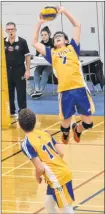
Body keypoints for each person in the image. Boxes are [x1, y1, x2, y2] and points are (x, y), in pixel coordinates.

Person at [32, 6, 95, 144]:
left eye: (60, 36)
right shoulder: (51, 53)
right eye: (55, 38)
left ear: (66, 41)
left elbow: (77, 25)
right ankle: (66, 132)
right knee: (65, 123)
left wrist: (64, 11)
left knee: (88, 123)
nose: (58, 38)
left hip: (80, 88)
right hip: (65, 91)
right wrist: (39, 22)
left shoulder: (73, 47)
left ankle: (77, 129)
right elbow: (35, 42)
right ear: (53, 43)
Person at [18, 108, 75, 214]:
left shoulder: (26, 143)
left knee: (66, 210)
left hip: (58, 179)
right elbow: (61, 152)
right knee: (49, 204)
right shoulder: (44, 133)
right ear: (34, 122)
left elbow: (39, 168)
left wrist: (37, 176)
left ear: (20, 125)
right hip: (63, 171)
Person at [4, 22, 30, 116]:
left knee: (21, 93)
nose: (10, 31)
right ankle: (11, 112)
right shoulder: (3, 41)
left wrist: (27, 70)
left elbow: (27, 57)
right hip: (7, 71)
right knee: (9, 92)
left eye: (12, 29)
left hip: (19, 71)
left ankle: (23, 113)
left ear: (15, 30)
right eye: (8, 29)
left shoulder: (22, 42)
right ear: (6, 31)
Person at [27, 26, 53, 99]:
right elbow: (37, 55)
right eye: (42, 35)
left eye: (45, 35)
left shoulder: (53, 42)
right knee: (36, 72)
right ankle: (37, 90)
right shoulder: (39, 44)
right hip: (41, 64)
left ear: (49, 34)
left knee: (45, 73)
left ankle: (40, 91)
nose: (43, 36)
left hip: (50, 64)